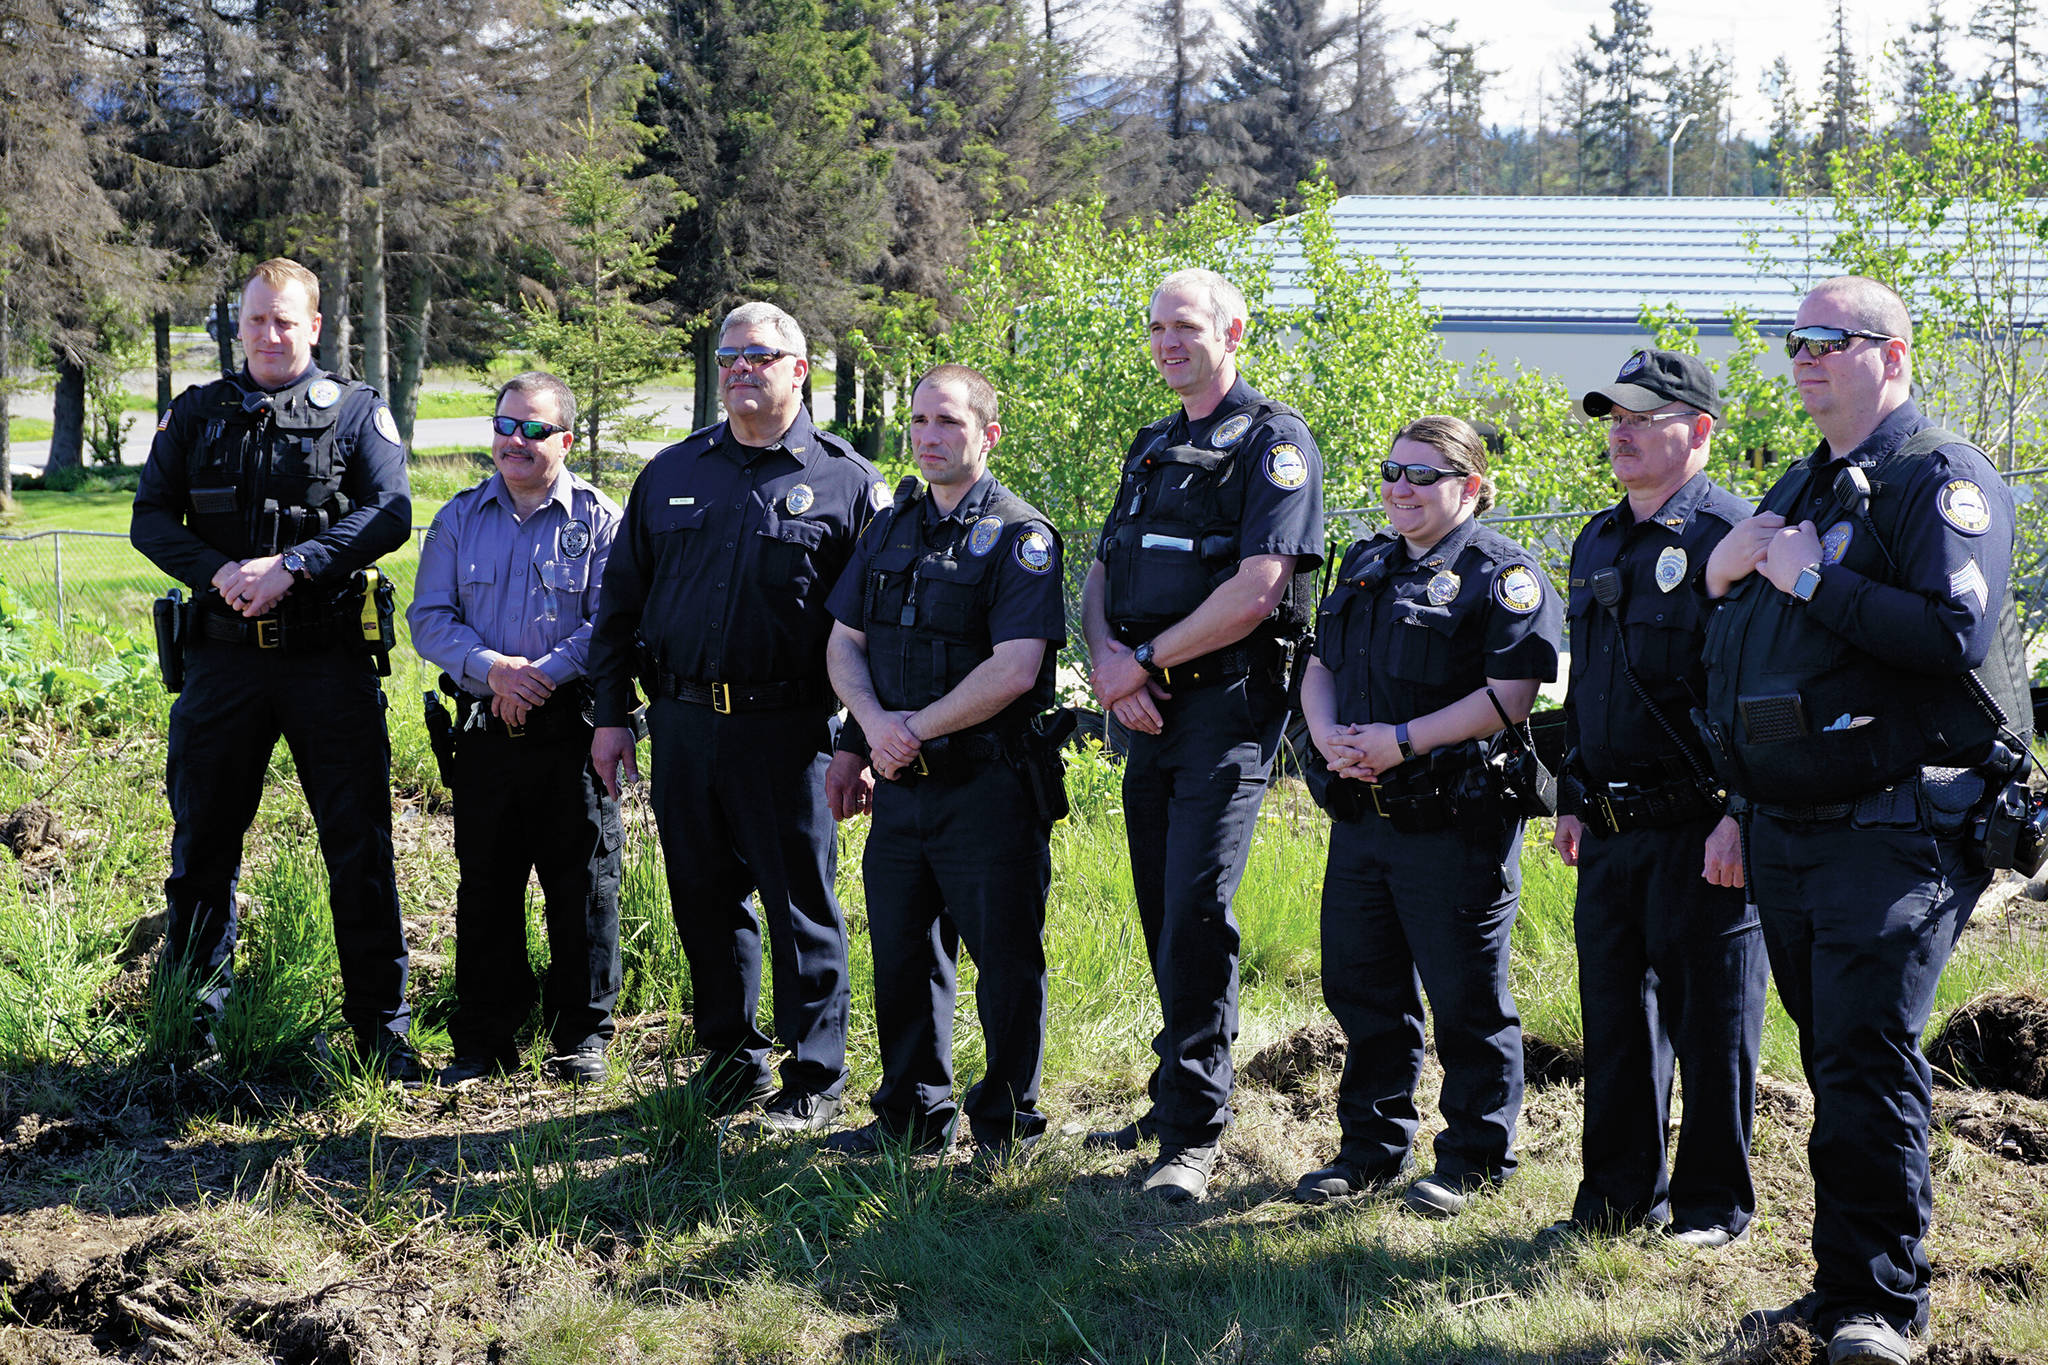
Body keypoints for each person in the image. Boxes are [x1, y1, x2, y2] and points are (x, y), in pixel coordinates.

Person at [1703, 277, 2031, 1365]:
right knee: (1832, 1060)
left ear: (1889, 355)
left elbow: (1948, 631)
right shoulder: (1811, 478)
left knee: (1862, 1056)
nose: (1798, 357)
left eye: (1823, 341)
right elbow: (1756, 661)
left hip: (1899, 825)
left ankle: (1884, 1305)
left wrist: (1805, 581)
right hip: (1797, 827)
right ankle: (1837, 1284)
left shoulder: (1936, 476)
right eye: (1789, 341)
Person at [587, 301, 882, 1133]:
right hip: (681, 724)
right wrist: (613, 715)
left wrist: (857, 744)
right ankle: (731, 1060)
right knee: (704, 900)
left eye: (761, 354)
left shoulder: (847, 482)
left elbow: (872, 633)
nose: (742, 369)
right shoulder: (673, 472)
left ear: (800, 370)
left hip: (789, 732)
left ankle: (815, 1075)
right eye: (729, 356)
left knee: (801, 907)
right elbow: (619, 606)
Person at [131, 257, 418, 1080]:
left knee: (358, 845)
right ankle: (191, 1024)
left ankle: (381, 1029)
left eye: (285, 321)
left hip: (326, 661)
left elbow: (390, 512)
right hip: (221, 663)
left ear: (315, 327)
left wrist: (293, 564)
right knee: (203, 846)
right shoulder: (199, 414)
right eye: (255, 319)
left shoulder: (357, 413)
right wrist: (218, 573)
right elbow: (150, 518)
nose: (268, 334)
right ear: (240, 323)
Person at [1081, 268, 1325, 1202]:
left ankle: (1194, 1131)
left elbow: (1262, 587)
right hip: (1145, 710)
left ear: (1233, 330)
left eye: (1185, 326)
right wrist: (1110, 658)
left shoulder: (1273, 441)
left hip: (1225, 711)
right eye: (1156, 328)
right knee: (1157, 905)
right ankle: (1171, 1089)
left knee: (1195, 908)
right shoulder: (1151, 445)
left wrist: (1143, 660)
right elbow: (1104, 567)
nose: (1168, 342)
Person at [1293, 416, 1561, 1218]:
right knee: (1363, 985)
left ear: (1471, 486)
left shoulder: (1501, 574)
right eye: (1391, 471)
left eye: (1423, 475)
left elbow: (1510, 696)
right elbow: (1319, 662)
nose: (1400, 488)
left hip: (1455, 821)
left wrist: (1400, 741)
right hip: (1364, 813)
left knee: (1466, 996)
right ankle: (1371, 1147)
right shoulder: (1369, 562)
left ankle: (1477, 1156)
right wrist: (1330, 737)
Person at [1545, 350, 1767, 1248]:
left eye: (1644, 415)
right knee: (1616, 1022)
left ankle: (1715, 1205)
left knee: (1712, 1021)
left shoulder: (1735, 533)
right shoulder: (1597, 536)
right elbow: (1584, 682)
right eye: (1613, 416)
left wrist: (1741, 812)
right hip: (1609, 823)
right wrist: (1567, 788)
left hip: (1702, 821)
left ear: (1702, 430)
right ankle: (1615, 1196)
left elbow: (1761, 686)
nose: (1622, 430)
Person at [820, 364, 1067, 1161]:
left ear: (988, 434)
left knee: (1004, 965)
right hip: (901, 787)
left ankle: (1004, 1125)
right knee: (902, 953)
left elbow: (1016, 666)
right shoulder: (891, 527)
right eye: (920, 421)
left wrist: (909, 728)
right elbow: (844, 643)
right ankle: (911, 1114)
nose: (930, 436)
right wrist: (869, 730)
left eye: (950, 423)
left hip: (988, 787)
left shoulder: (1022, 535)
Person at [408, 372, 624, 1088]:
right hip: (483, 732)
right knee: (487, 888)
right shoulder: (459, 517)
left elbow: (614, 623)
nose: (515, 442)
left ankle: (581, 1037)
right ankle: (484, 1039)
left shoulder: (600, 519)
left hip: (573, 730)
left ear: (565, 437)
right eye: (505, 426)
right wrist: (495, 669)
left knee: (582, 887)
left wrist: (539, 678)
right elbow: (429, 618)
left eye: (533, 430)